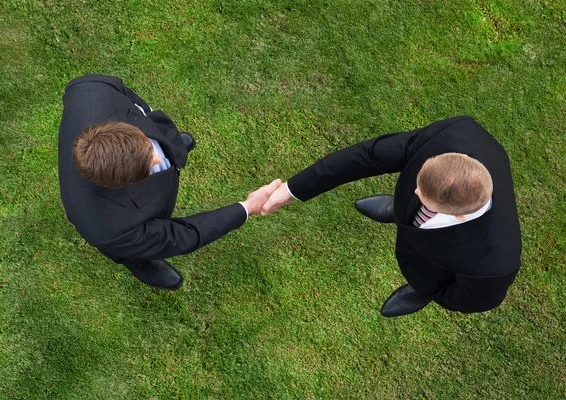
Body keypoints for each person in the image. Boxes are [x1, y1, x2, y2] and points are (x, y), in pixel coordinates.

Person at [261, 116, 522, 317]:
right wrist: (291, 189)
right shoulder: (456, 133)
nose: (415, 190)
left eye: (423, 197)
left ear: (461, 217)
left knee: (426, 280)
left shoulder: (493, 264)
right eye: (420, 183)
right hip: (432, 206)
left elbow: (470, 300)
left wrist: (433, 289)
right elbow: (369, 155)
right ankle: (400, 213)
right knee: (406, 208)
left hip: (433, 273)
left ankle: (421, 290)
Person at [58, 74, 281, 290]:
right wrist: (246, 208)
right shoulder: (110, 228)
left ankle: (170, 148)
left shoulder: (89, 88)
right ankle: (139, 260)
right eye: (149, 166)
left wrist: (154, 125)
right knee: (130, 248)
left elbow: (131, 101)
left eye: (147, 146)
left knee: (169, 147)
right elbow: (182, 235)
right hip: (124, 234)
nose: (157, 156)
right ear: (123, 183)